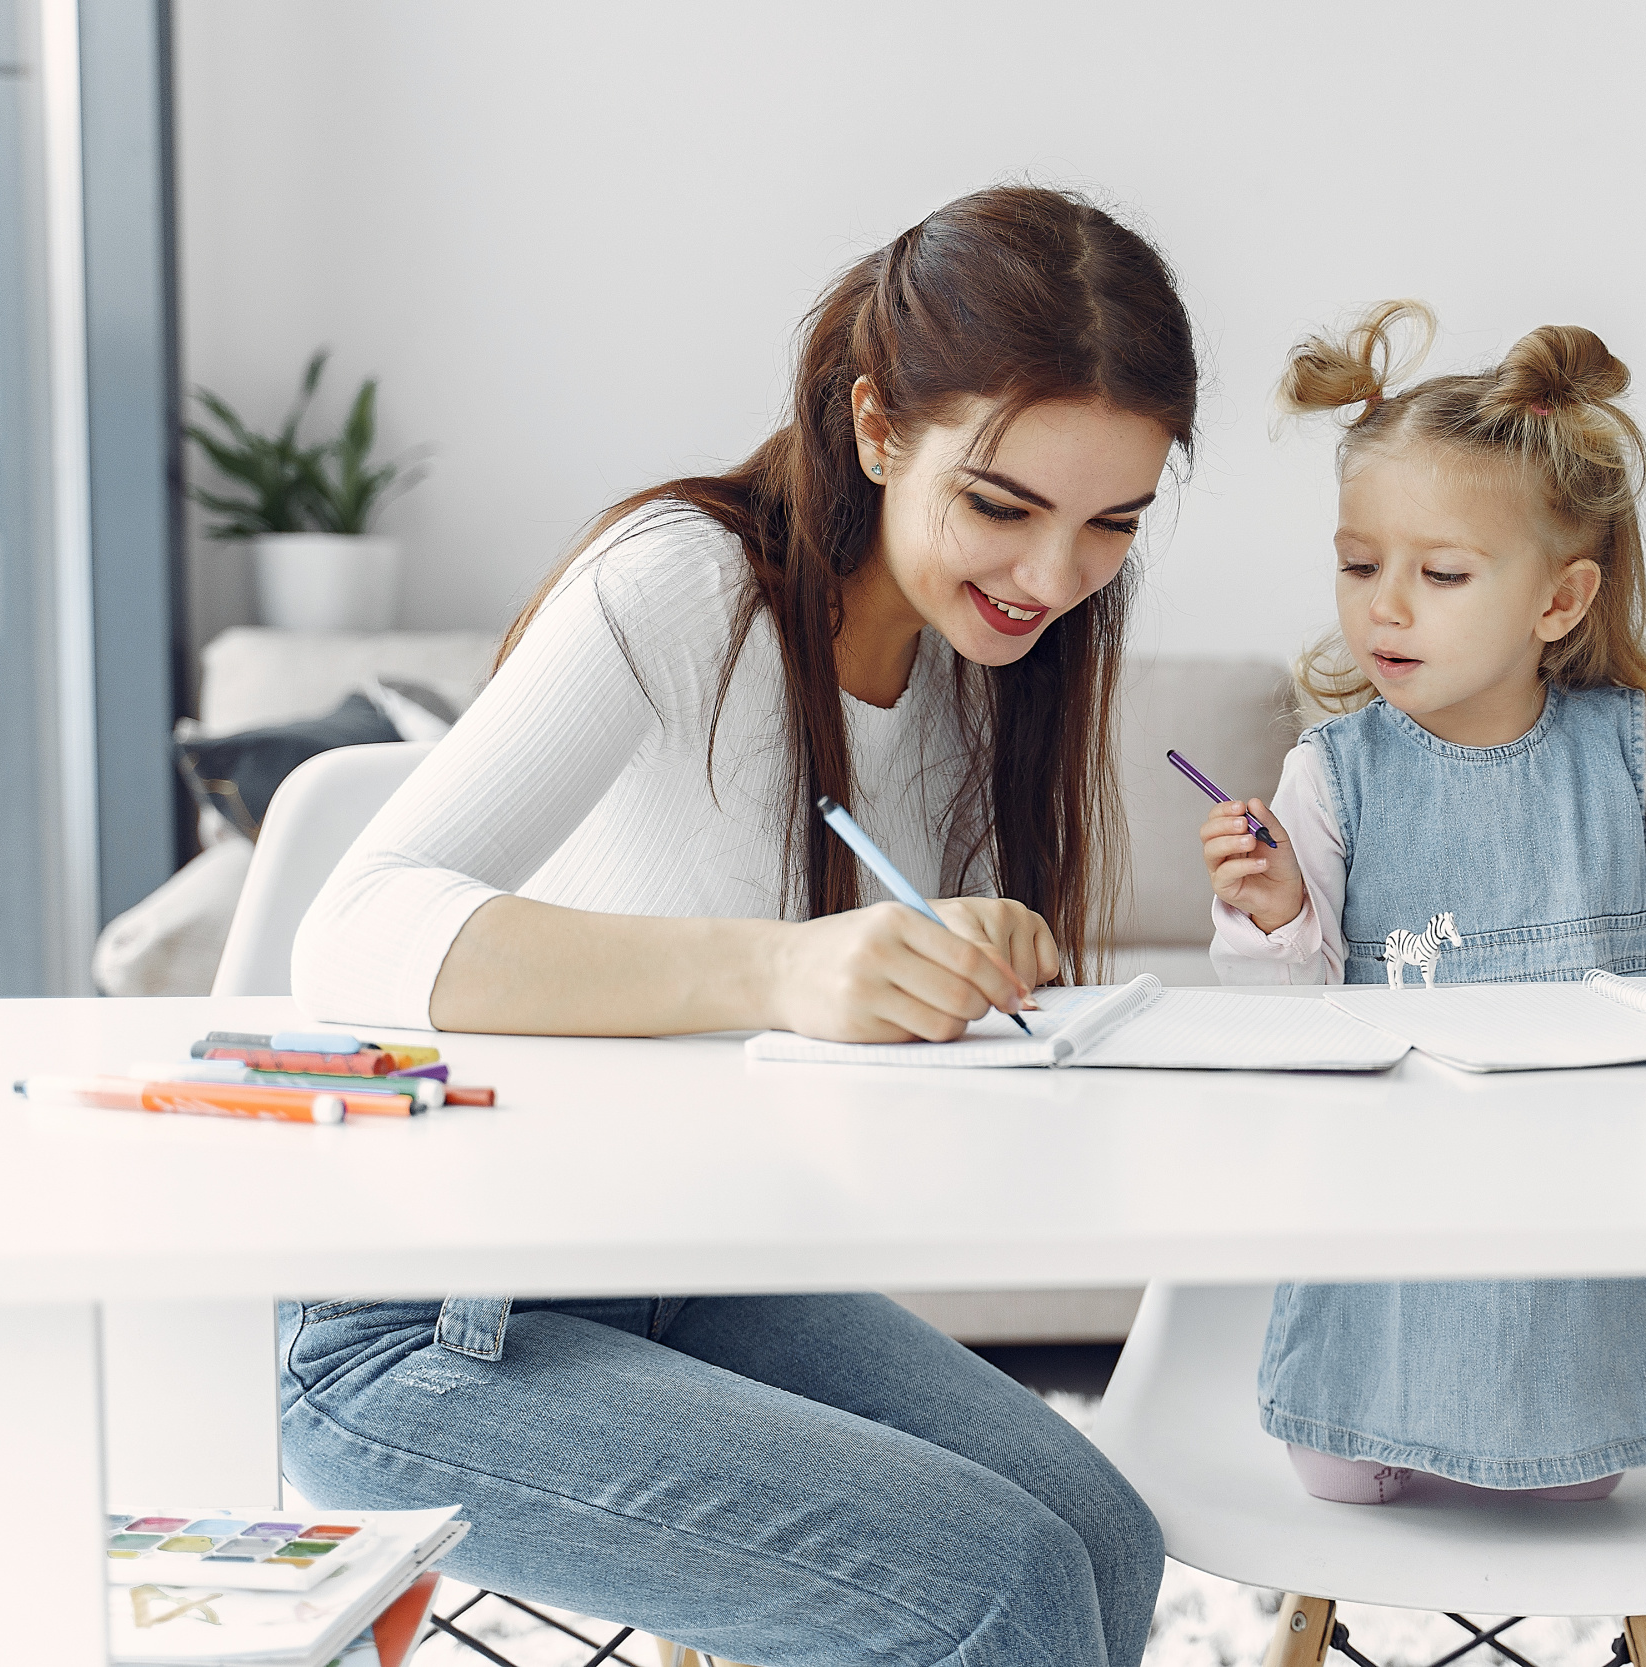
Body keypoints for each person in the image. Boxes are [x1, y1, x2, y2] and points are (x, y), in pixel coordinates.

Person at [280, 187, 1196, 1663]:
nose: (1050, 578)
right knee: (997, 1580)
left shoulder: (986, 666)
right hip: (432, 1321)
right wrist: (786, 971)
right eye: (1004, 509)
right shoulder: (681, 585)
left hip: (695, 1265)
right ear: (879, 428)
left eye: (1112, 527)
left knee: (1099, 1533)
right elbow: (356, 927)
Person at [1197, 301, 1646, 1506]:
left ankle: (1561, 1433)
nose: (1385, 606)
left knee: (1571, 1477)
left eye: (1440, 573)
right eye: (1359, 564)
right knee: (1336, 1463)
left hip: (1581, 1167)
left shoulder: (1632, 748)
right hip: (1398, 1175)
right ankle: (1363, 1419)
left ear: (1559, 602)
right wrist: (1268, 907)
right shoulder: (1330, 768)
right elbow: (1289, 1004)